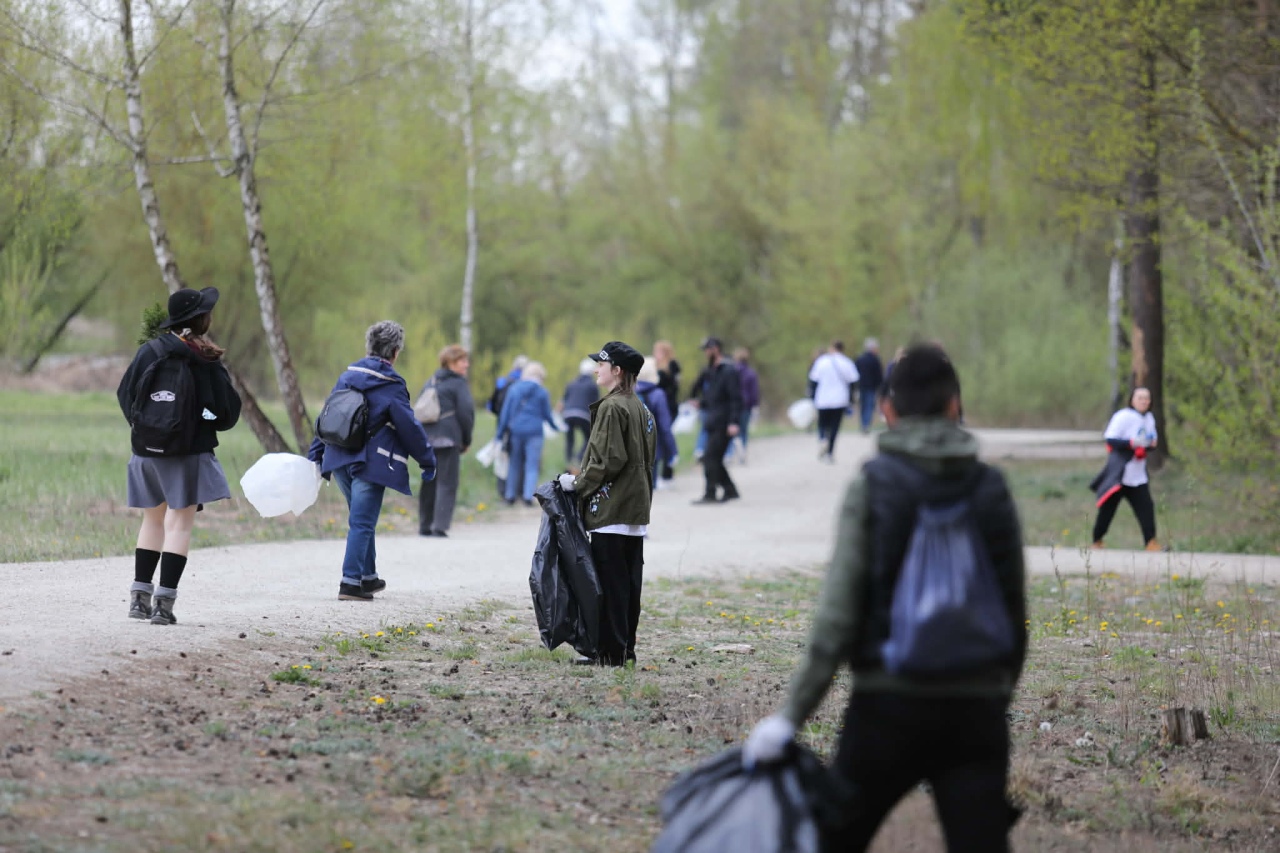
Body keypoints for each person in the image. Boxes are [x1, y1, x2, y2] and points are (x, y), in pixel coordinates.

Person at [743, 344, 1027, 852]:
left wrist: (790, 716)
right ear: (955, 405)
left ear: (888, 411)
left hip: (887, 704)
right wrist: (993, 695)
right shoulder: (992, 488)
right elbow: (1014, 611)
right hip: (975, 709)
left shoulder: (875, 485)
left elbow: (838, 614)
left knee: (836, 838)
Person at [116, 287, 241, 625]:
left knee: (152, 521)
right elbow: (226, 414)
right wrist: (203, 422)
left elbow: (125, 394)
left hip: (145, 452)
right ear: (200, 320)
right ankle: (163, 606)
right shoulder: (204, 359)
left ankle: (138, 601)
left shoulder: (149, 351)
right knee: (179, 526)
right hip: (186, 454)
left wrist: (146, 428)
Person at [309, 321, 436, 601]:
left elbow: (328, 415)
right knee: (362, 523)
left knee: (360, 519)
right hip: (370, 462)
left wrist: (315, 454)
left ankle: (368, 578)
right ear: (394, 351)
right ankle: (350, 583)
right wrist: (427, 460)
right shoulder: (391, 385)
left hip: (338, 458)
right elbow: (409, 427)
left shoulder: (347, 376)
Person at [557, 341, 656, 666]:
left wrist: (578, 485)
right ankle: (624, 649)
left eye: (601, 364)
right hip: (635, 507)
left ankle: (610, 654)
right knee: (628, 585)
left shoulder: (612, 407)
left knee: (610, 584)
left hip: (612, 507)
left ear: (617, 371)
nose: (596, 369)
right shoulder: (641, 408)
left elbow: (608, 459)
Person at [1090, 387, 1160, 551]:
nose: (1144, 401)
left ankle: (1150, 542)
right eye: (1140, 398)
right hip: (1121, 474)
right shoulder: (1123, 416)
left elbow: (1151, 441)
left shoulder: (1149, 418)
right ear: (1132, 400)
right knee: (1108, 509)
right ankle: (1097, 540)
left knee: (1146, 508)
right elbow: (1110, 440)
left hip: (1138, 476)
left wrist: (1148, 446)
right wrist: (1131, 444)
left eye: (1147, 398)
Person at [418, 344, 475, 538]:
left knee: (429, 482)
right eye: (462, 360)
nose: (466, 364)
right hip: (448, 438)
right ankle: (439, 526)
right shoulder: (459, 383)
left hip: (427, 438)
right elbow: (466, 413)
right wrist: (466, 439)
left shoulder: (431, 381)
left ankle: (425, 525)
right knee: (447, 482)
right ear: (450, 362)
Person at [496, 361, 558, 506]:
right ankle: (527, 496)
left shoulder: (514, 389)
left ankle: (510, 495)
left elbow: (505, 413)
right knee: (532, 465)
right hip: (535, 432)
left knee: (514, 464)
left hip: (516, 431)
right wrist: (555, 427)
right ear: (541, 376)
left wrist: (499, 434)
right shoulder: (542, 392)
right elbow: (547, 415)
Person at [692, 336, 742, 504]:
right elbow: (713, 396)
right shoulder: (712, 371)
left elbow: (735, 398)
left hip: (724, 421)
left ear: (715, 348)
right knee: (713, 458)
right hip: (713, 420)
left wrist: (734, 422)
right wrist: (701, 402)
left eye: (707, 349)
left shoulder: (728, 370)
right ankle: (730, 490)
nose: (706, 353)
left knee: (710, 458)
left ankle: (711, 493)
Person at [808, 340, 860, 462]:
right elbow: (854, 382)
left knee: (822, 423)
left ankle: (822, 439)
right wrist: (851, 400)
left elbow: (813, 381)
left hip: (823, 398)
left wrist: (812, 397)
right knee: (834, 426)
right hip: (840, 399)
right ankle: (830, 453)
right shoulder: (847, 363)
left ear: (832, 348)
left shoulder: (822, 361)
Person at [637, 358, 676, 490]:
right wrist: (672, 451)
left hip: (631, 446)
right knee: (649, 487)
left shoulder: (627, 392)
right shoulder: (658, 394)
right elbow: (665, 426)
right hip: (652, 446)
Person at [561, 358, 599, 465]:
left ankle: (568, 459)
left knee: (570, 437)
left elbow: (565, 399)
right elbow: (596, 404)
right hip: (583, 415)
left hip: (568, 414)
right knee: (590, 437)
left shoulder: (571, 383)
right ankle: (579, 457)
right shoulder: (592, 385)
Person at [653, 340, 682, 481]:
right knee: (658, 439)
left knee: (665, 435)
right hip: (657, 406)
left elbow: (674, 387)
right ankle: (660, 472)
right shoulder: (655, 366)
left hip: (668, 406)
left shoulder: (672, 366)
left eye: (658, 351)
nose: (656, 354)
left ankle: (667, 472)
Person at [733, 347, 760, 463]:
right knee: (744, 430)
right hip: (747, 404)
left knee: (734, 429)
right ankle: (743, 450)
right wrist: (755, 404)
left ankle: (736, 447)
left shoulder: (732, 371)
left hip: (734, 404)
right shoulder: (751, 373)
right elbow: (754, 391)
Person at [854, 337, 884, 434]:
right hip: (871, 387)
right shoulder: (875, 360)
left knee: (863, 406)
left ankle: (863, 424)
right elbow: (878, 375)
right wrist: (880, 386)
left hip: (861, 386)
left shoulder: (859, 359)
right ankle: (865, 425)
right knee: (869, 406)